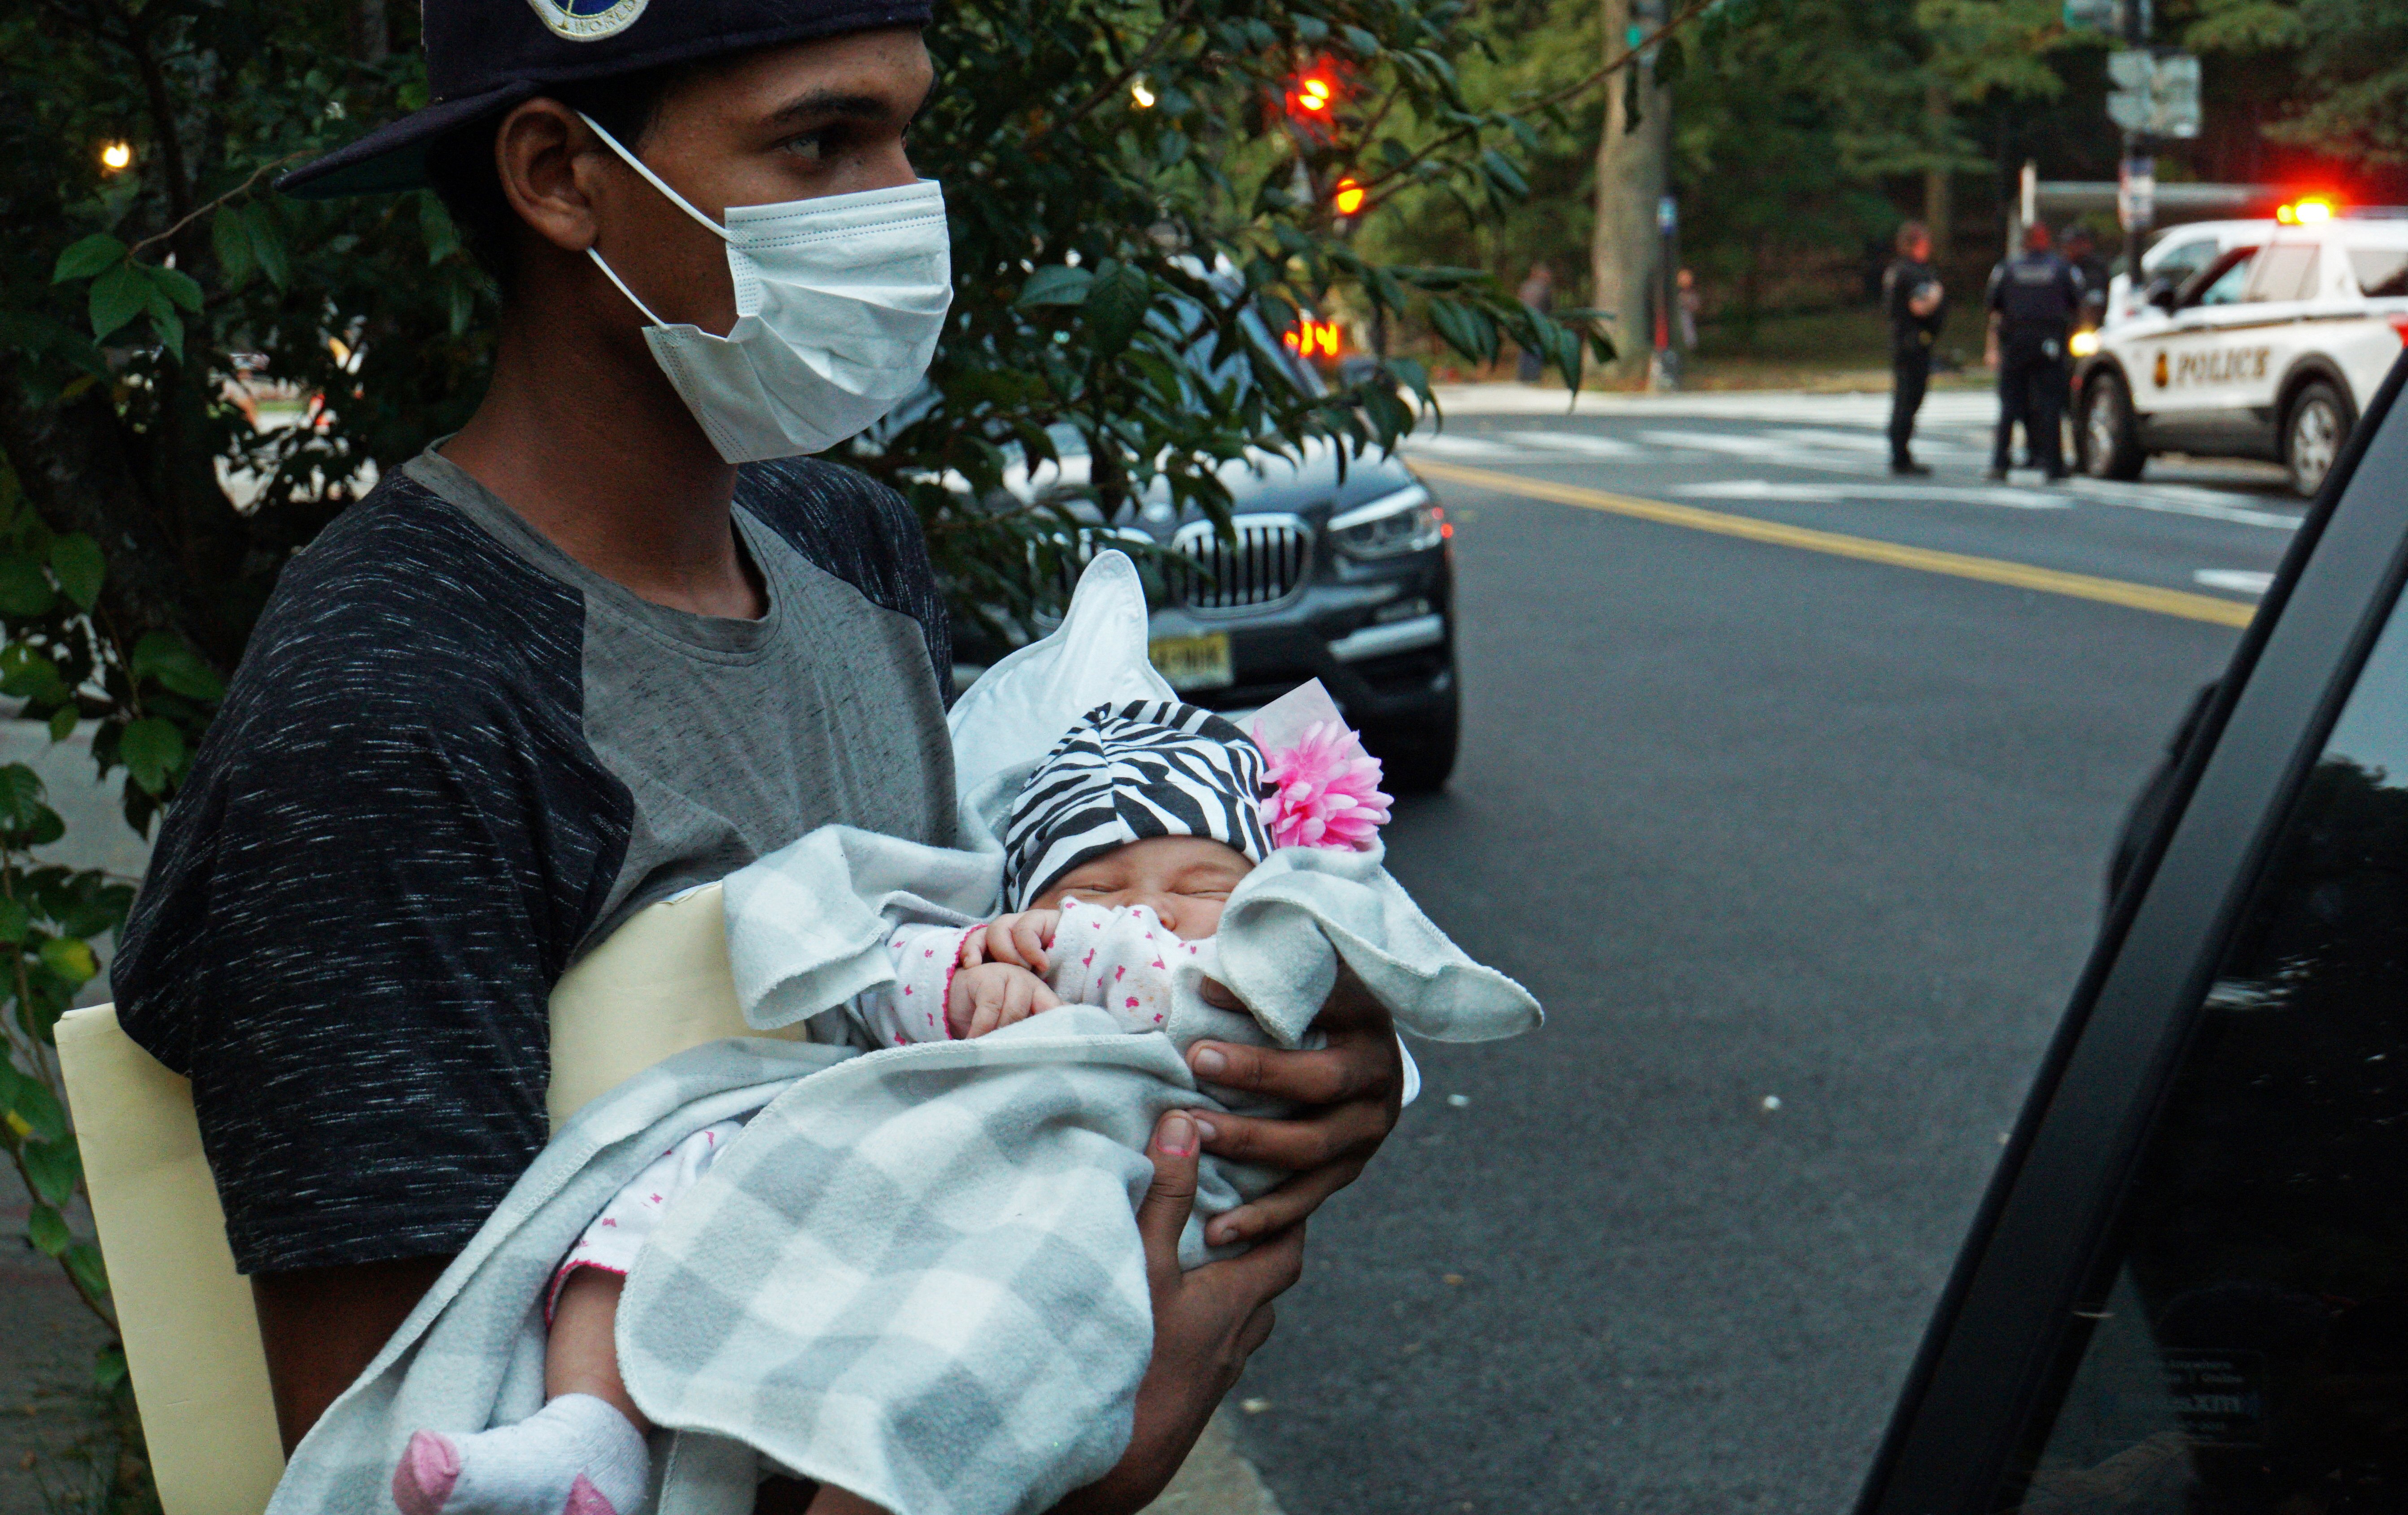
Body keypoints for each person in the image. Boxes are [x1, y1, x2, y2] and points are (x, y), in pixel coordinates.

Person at [108, 2, 1406, 1509]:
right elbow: (398, 1456)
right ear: (558, 175)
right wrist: (1088, 1456)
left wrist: (1281, 1066)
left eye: (904, 134)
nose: (901, 206)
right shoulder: (392, 699)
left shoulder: (850, 549)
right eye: (819, 141)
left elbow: (975, 1037)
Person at [393, 694, 1447, 1514]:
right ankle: (591, 1424)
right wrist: (963, 978)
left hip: (1054, 1205)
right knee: (683, 1166)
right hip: (874, 1185)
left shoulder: (1245, 999)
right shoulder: (1000, 958)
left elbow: (1350, 1042)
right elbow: (866, 986)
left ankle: (872, 1490)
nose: (1146, 912)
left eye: (1205, 888)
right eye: (1094, 889)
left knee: (995, 1319)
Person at [1985, 221, 2084, 482]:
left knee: (2009, 404)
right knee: (2051, 404)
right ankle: (2053, 465)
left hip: (2016, 341)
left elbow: (1994, 304)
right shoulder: (2061, 268)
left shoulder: (2007, 268)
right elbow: (2076, 302)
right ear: (2045, 240)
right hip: (2048, 341)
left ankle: (2000, 462)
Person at [1882, 222, 1946, 477]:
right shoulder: (1912, 272)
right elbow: (1919, 306)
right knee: (1909, 397)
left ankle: (1901, 450)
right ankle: (1900, 453)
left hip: (1907, 342)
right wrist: (1937, 296)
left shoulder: (1899, 270)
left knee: (1907, 397)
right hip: (1913, 343)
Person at [1516, 262, 1556, 382]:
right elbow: (1549, 307)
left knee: (1525, 348)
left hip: (1525, 321)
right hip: (1538, 323)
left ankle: (1523, 376)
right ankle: (1533, 377)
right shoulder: (1544, 289)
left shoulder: (1525, 286)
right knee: (1537, 348)